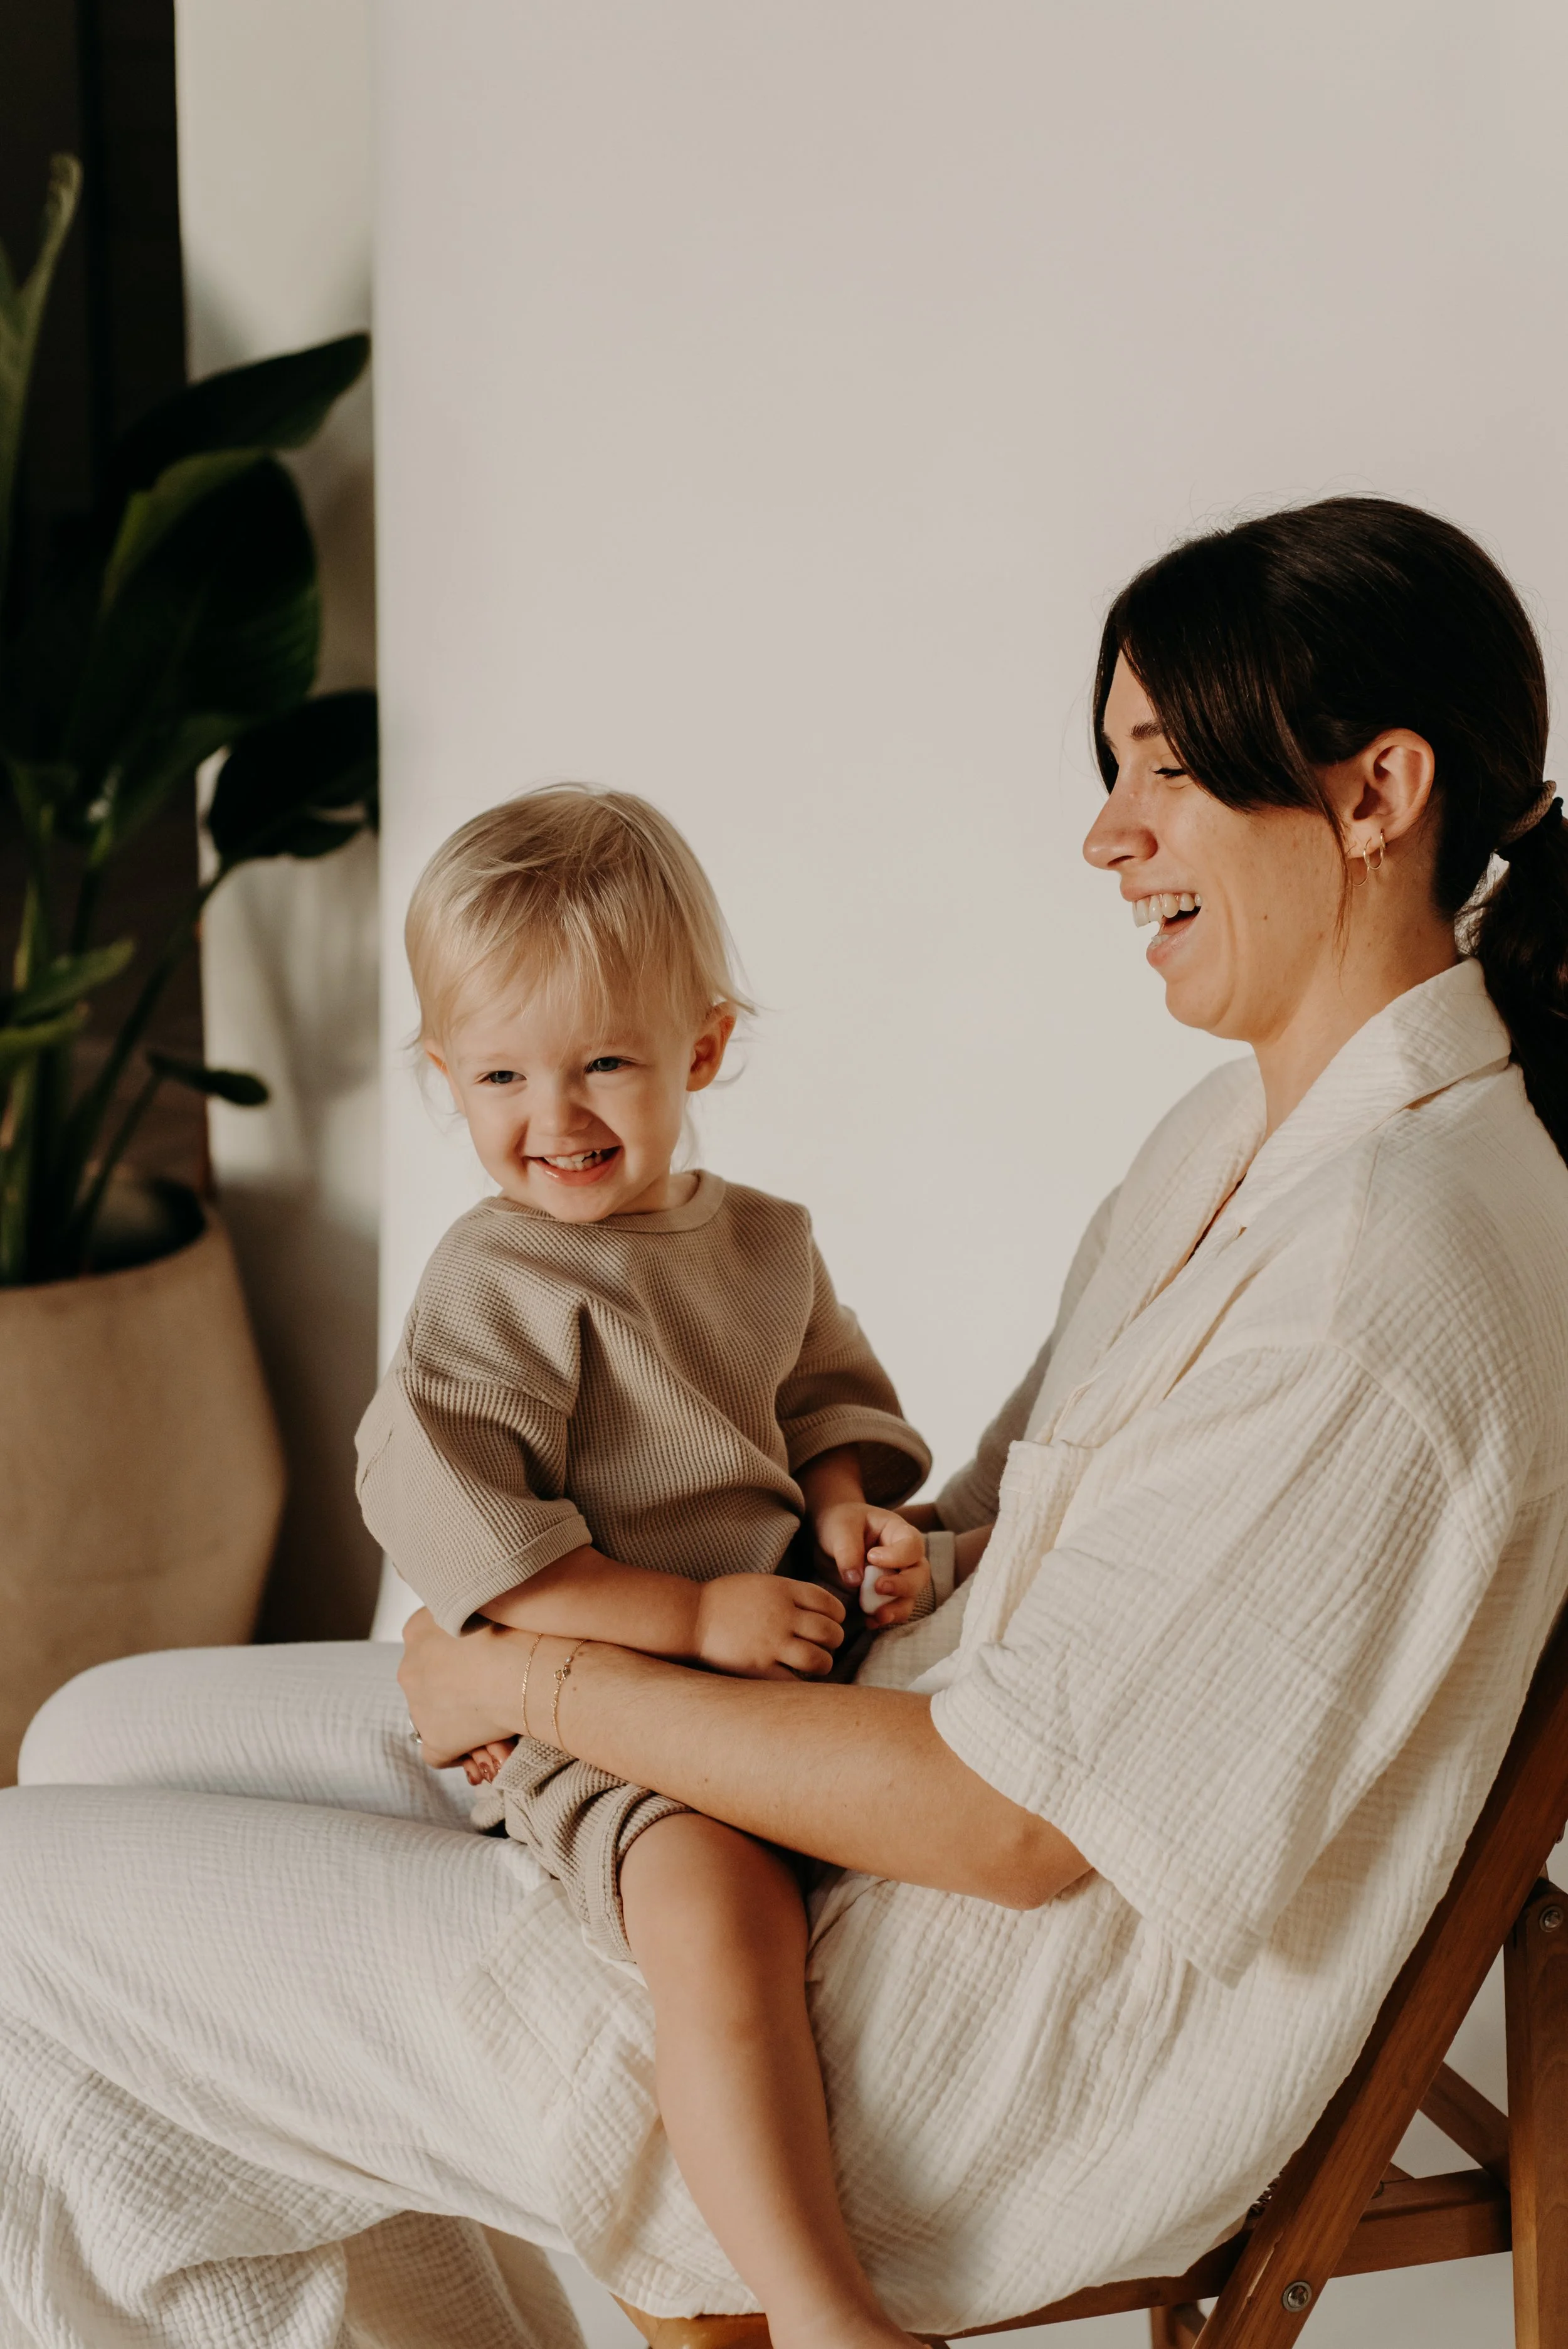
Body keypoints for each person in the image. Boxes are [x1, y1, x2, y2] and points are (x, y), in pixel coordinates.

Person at [4, 496, 1568, 2349]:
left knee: (20, 1911)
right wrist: (898, 1539)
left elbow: (1012, 1830)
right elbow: (1022, 1526)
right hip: (826, 1729)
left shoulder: (1384, 1271)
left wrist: (540, 1684)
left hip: (935, 2024)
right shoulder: (1246, 1139)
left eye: (1162, 769)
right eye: (1110, 766)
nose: (1104, 831)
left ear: (1377, 792)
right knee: (94, 1736)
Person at [356, 784, 943, 2349]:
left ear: (699, 1046)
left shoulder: (761, 1239)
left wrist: (846, 1512)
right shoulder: (498, 1277)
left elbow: (824, 1396)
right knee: (718, 1918)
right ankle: (824, 2315)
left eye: (603, 1062)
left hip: (781, 1667)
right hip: (612, 1703)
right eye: (499, 1076)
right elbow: (483, 1537)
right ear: (444, 1078)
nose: (554, 1118)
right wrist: (688, 1615)